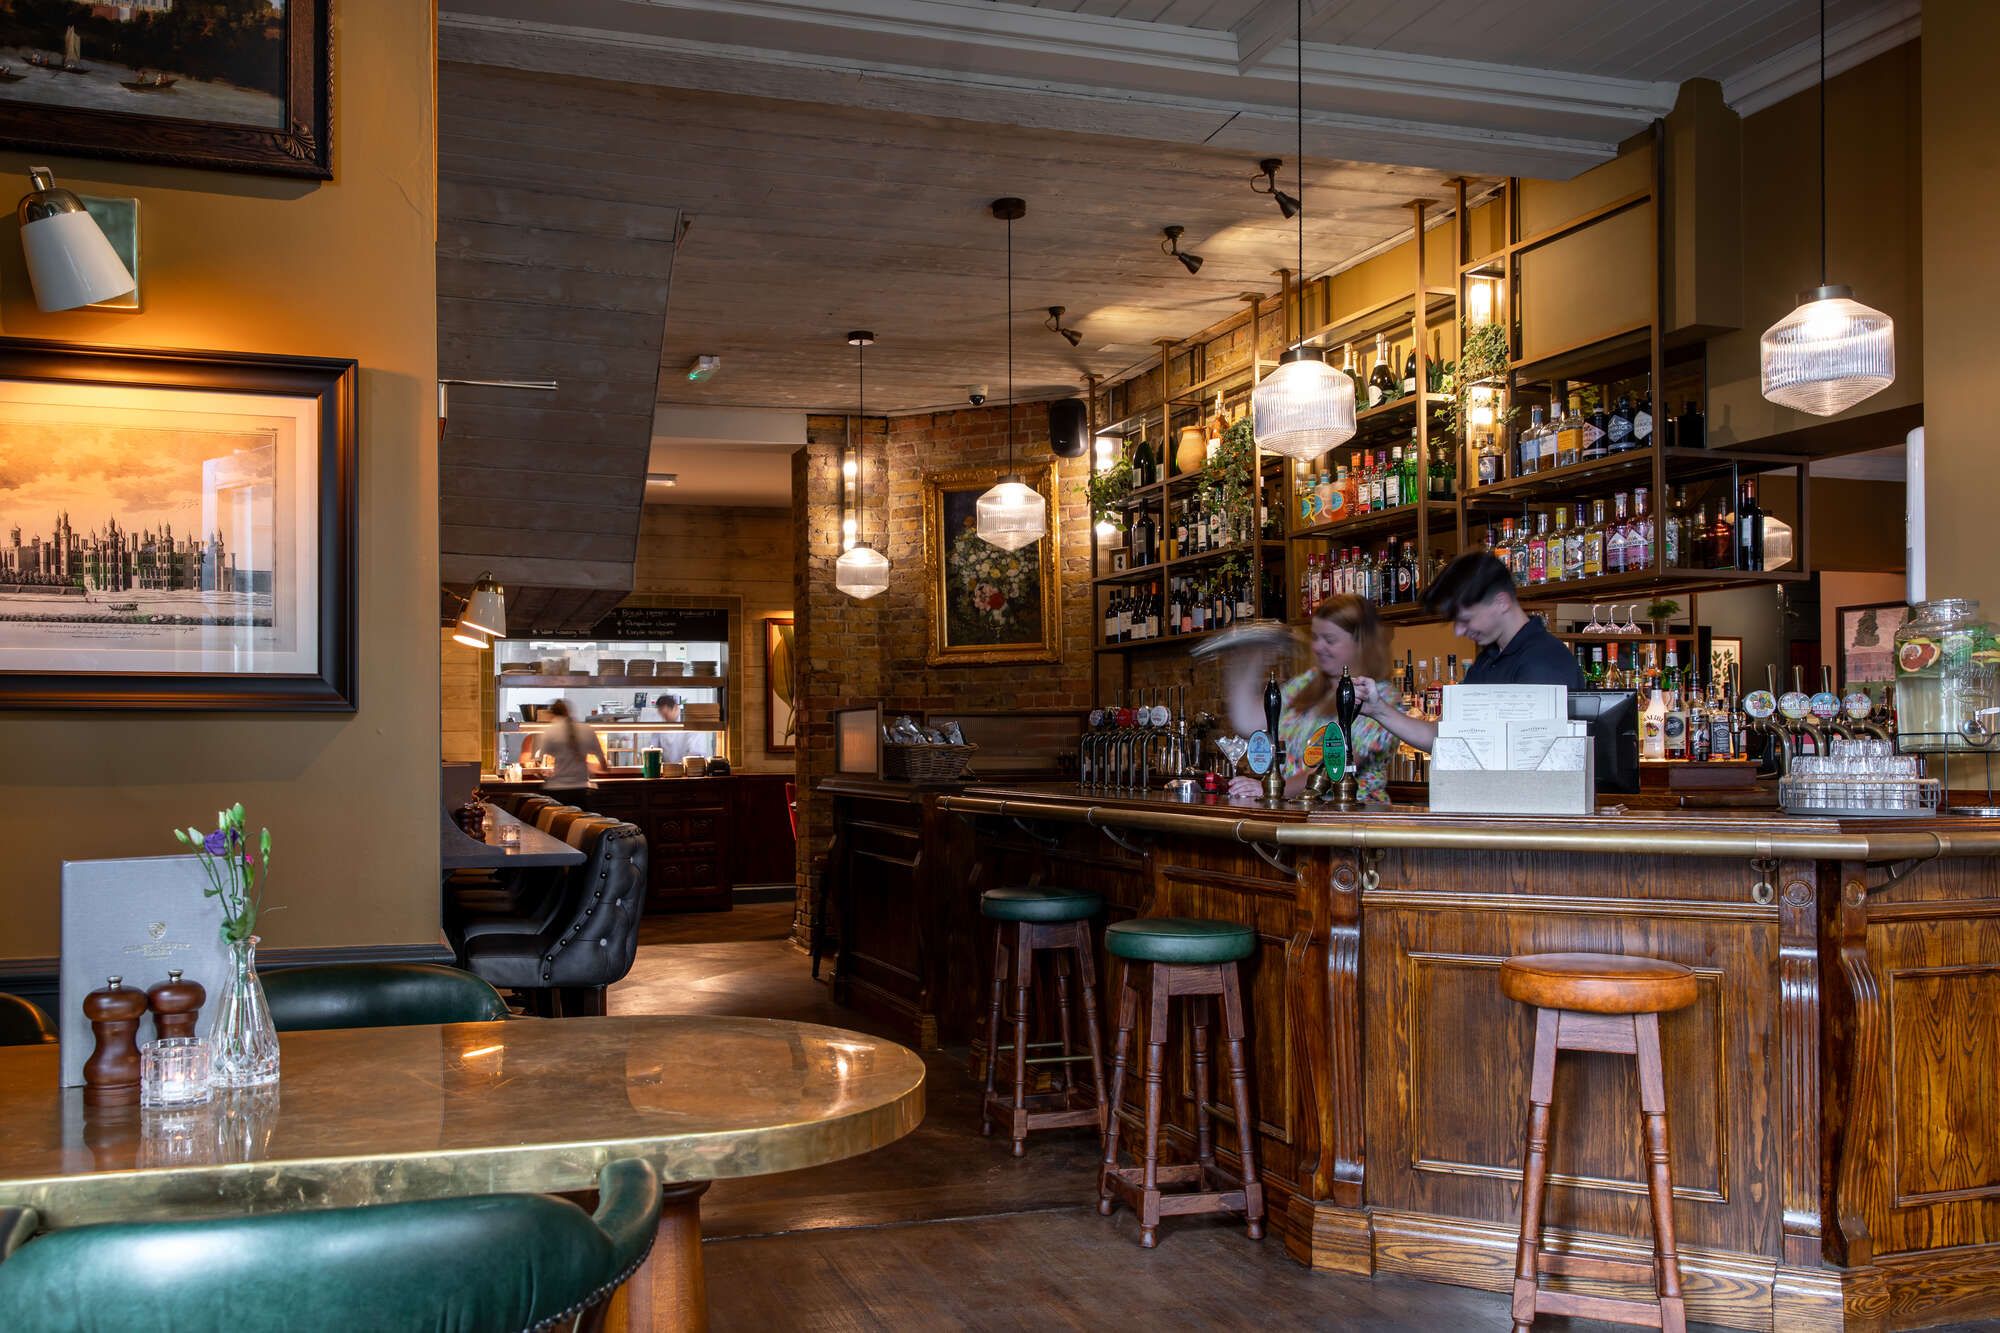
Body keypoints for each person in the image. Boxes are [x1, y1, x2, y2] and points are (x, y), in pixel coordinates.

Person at [1354, 551, 1586, 753]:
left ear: (1501, 602)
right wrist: (1378, 709)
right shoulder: (1488, 660)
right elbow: (1444, 736)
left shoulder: (1543, 662)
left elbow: (1533, 759)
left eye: (1465, 619)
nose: (1458, 631)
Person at [1224, 594, 1399, 803]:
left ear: (1361, 642)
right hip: (1299, 816)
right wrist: (1252, 657)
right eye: (1315, 637)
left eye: (1329, 640)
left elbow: (1335, 767)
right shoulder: (1307, 683)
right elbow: (1248, 722)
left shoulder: (1377, 696)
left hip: (1351, 823)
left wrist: (1270, 789)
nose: (1317, 647)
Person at [531, 699, 605, 801]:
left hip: (556, 789)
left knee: (557, 816)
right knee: (581, 816)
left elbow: (538, 767)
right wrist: (589, 769)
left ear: (552, 714)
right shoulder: (587, 729)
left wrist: (546, 775)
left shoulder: (550, 731)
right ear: (569, 711)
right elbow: (603, 764)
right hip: (581, 789)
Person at [650, 693, 708, 766]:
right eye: (662, 715)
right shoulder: (660, 726)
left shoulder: (690, 724)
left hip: (689, 769)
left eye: (666, 714)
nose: (665, 718)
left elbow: (696, 753)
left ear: (676, 708)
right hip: (667, 769)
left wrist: (684, 766)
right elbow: (653, 748)